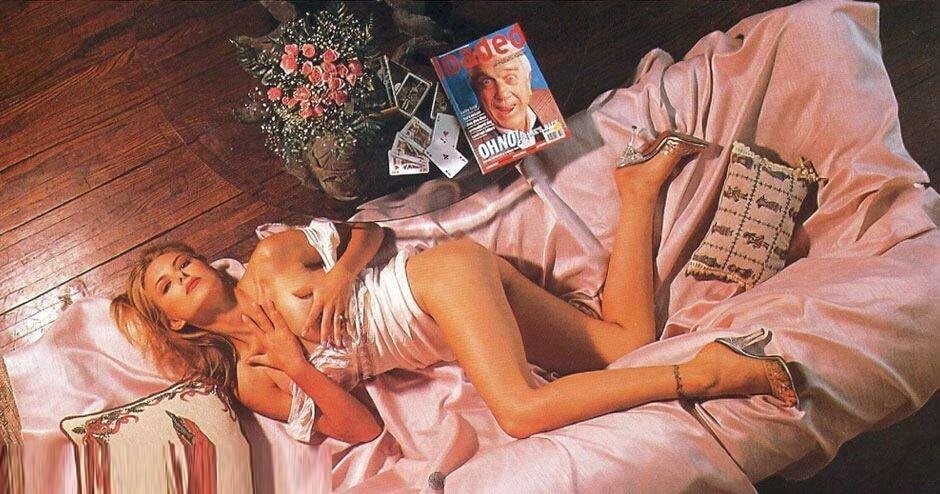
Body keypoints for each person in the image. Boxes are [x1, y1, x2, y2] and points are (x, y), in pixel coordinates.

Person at [111, 134, 796, 444]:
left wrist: (342, 273)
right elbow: (361, 429)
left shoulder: (269, 257)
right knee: (626, 343)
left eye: (180, 261)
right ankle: (639, 187)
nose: (184, 273)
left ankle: (706, 373)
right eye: (168, 284)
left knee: (521, 413)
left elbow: (368, 233)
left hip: (432, 281)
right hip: (451, 325)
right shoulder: (254, 375)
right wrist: (297, 366)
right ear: (176, 324)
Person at [468, 47, 560, 135]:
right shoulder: (474, 138)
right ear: (477, 93)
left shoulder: (548, 99)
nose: (502, 94)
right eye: (487, 82)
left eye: (510, 77)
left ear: (528, 81)